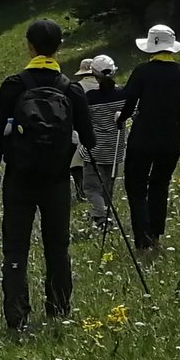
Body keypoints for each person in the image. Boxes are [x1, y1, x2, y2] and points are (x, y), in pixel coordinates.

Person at [0, 17, 95, 331]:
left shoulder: (13, 85)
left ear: (29, 46)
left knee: (16, 248)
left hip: (19, 178)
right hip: (56, 179)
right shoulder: (70, 89)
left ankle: (16, 315)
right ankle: (58, 308)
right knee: (57, 246)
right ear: (60, 48)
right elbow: (90, 140)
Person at [117, 24, 180, 253]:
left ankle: (142, 239)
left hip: (143, 137)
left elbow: (129, 101)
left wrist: (121, 119)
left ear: (150, 48)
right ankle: (155, 235)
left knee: (136, 186)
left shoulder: (141, 71)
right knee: (160, 184)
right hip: (171, 138)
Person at [75, 55, 123, 233]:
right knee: (108, 186)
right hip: (115, 148)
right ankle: (105, 216)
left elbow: (83, 121)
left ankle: (101, 217)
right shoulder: (122, 94)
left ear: (93, 74)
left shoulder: (90, 97)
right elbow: (133, 113)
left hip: (94, 148)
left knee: (91, 187)